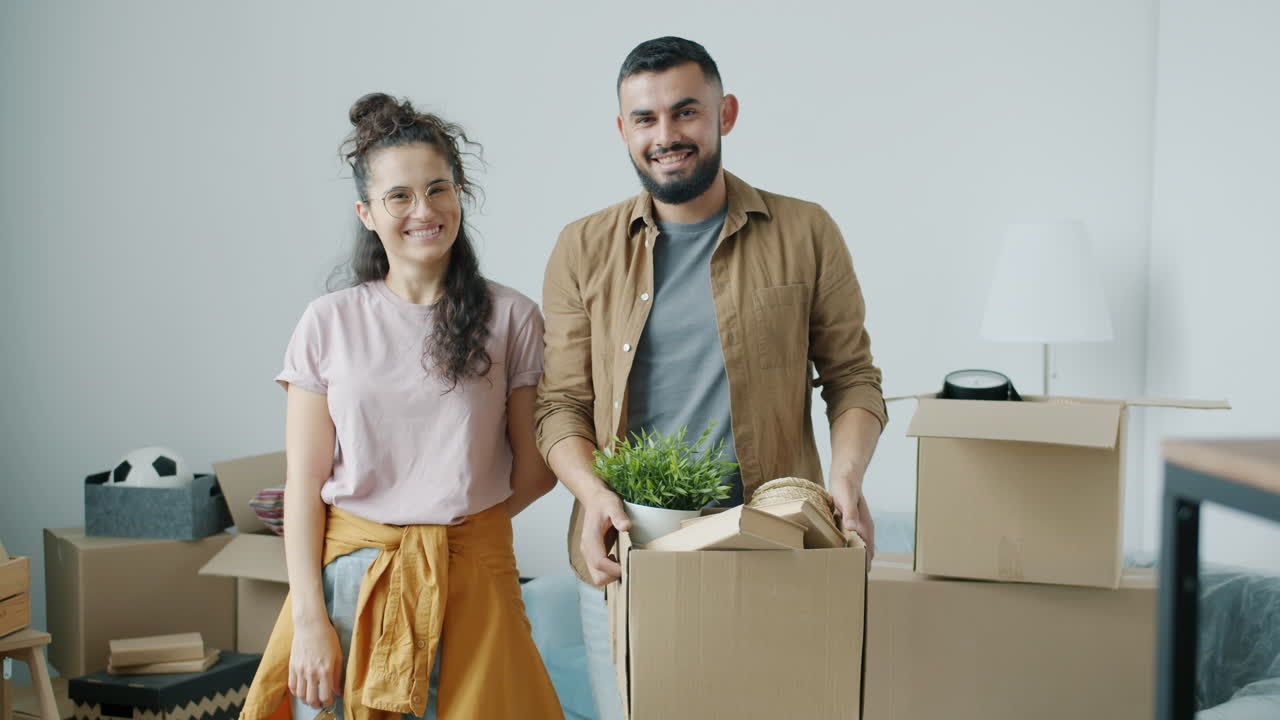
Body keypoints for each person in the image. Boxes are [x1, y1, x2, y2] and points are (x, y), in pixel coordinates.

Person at [534, 37, 888, 719]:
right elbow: (560, 407)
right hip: (631, 552)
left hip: (774, 548)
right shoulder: (582, 248)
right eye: (645, 119)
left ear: (724, 113)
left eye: (685, 112)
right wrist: (591, 494)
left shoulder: (806, 231)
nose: (666, 135)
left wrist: (845, 481)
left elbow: (852, 378)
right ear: (623, 130)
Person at [238, 93, 564, 720]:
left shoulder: (513, 317)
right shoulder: (327, 323)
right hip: (349, 590)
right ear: (367, 212)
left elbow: (536, 466)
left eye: (438, 188)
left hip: (474, 583)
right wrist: (308, 620)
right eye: (399, 196)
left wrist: (451, 522)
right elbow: (303, 484)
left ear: (460, 193)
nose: (424, 210)